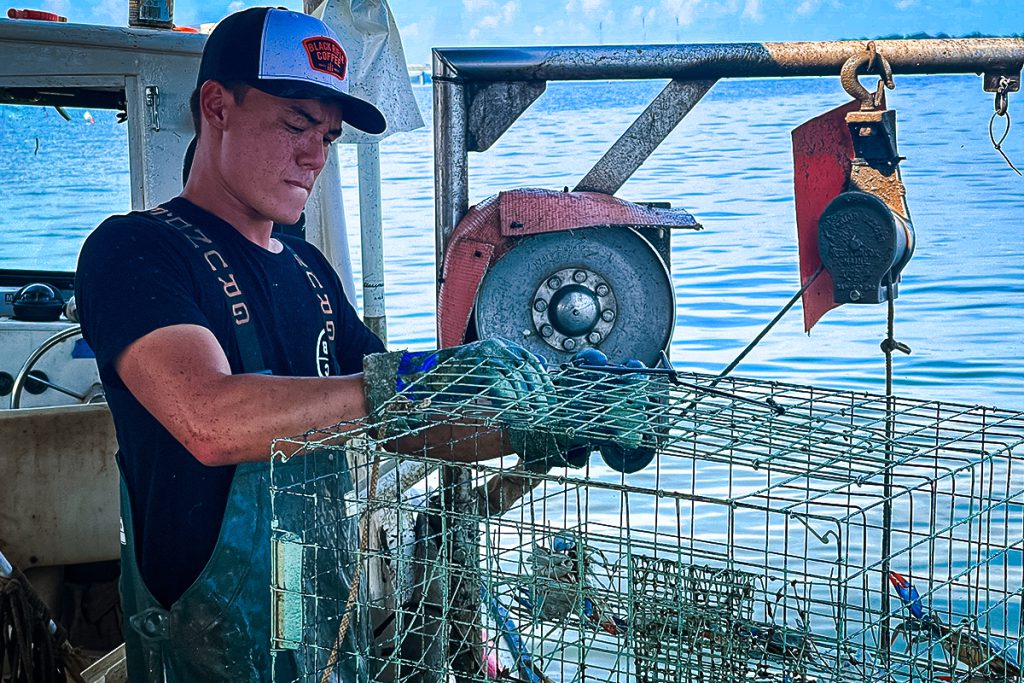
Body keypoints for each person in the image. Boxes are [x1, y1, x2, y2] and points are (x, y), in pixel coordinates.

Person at [75, 7, 566, 681]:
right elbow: (209, 418)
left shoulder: (309, 271)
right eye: (296, 123)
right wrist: (408, 379)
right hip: (201, 653)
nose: (316, 154)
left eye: (329, 136)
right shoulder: (135, 250)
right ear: (217, 106)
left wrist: (537, 426)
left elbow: (405, 427)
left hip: (316, 630)